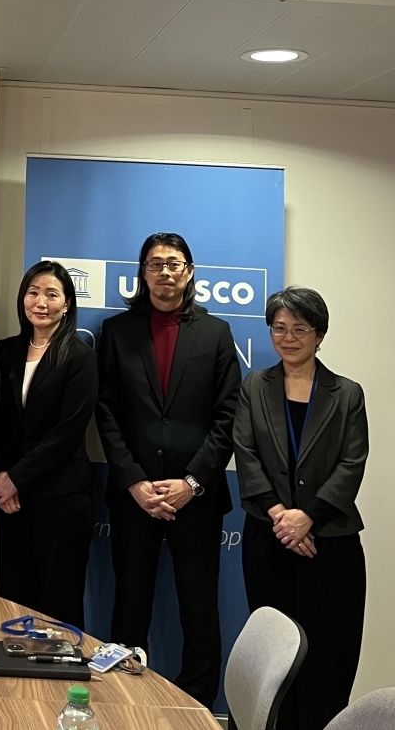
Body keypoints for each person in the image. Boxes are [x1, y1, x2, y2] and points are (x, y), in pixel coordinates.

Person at [95, 233, 240, 709]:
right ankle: (124, 701)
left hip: (195, 498)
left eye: (174, 264)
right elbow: (106, 413)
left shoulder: (216, 333)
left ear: (190, 271)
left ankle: (195, 706)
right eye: (155, 264)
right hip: (134, 496)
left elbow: (227, 416)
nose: (165, 272)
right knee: (129, 606)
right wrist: (135, 481)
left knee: (199, 609)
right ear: (143, 273)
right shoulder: (116, 332)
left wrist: (192, 483)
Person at [233, 287, 368, 730]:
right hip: (268, 538)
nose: (288, 337)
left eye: (300, 329)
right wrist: (281, 515)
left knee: (327, 652)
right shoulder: (255, 385)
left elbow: (352, 462)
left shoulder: (347, 393)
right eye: (279, 328)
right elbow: (246, 454)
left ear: (319, 334)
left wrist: (307, 516)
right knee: (273, 653)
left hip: (330, 542)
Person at [0, 261, 98, 627]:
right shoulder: (6, 351)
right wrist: (1, 478)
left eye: (52, 294)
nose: (41, 302)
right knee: (13, 602)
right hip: (11, 500)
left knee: (57, 606)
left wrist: (16, 478)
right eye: (33, 292)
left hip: (60, 499)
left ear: (67, 304)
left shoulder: (80, 357)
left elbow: (67, 432)